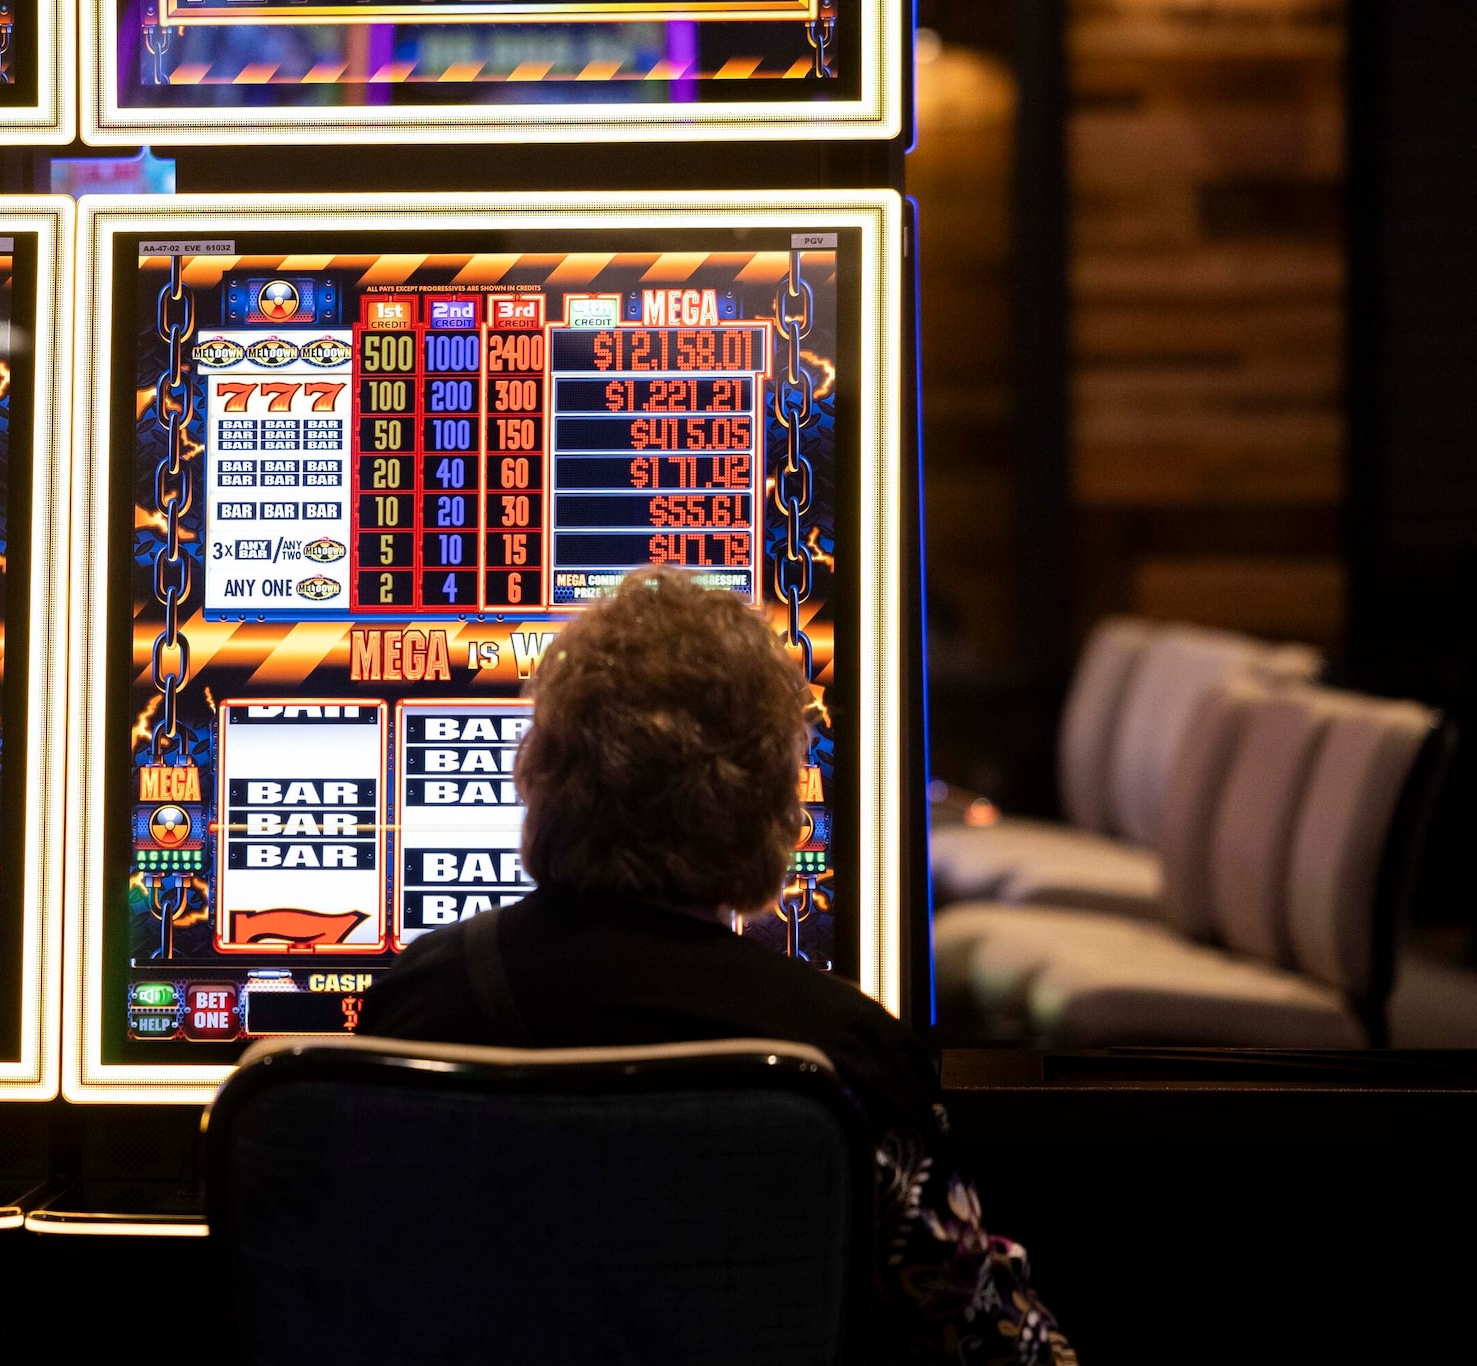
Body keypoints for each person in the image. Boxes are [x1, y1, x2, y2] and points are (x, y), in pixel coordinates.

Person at [361, 567, 1072, 1366]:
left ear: (540, 777)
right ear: (769, 805)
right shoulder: (838, 1055)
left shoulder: (418, 1009)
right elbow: (999, 1344)